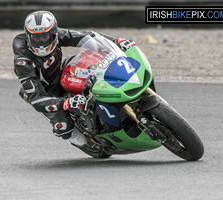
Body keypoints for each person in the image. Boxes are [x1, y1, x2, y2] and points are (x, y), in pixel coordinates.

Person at [12, 10, 135, 148]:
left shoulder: (58, 35)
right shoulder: (23, 62)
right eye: (36, 38)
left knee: (92, 56)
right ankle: (80, 137)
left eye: (45, 36)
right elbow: (37, 99)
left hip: (61, 69)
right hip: (46, 90)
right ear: (28, 37)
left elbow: (88, 37)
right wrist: (67, 102)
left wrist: (117, 41)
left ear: (54, 32)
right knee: (64, 127)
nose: (41, 42)